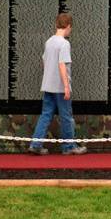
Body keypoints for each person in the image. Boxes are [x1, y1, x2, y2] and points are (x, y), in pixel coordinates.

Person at [27, 13, 87, 155]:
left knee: (46, 115)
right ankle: (69, 147)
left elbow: (44, 61)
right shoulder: (64, 44)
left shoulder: (49, 42)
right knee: (66, 116)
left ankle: (35, 144)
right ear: (68, 26)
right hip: (60, 88)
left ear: (56, 25)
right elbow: (62, 65)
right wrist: (66, 86)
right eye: (70, 28)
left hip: (48, 85)